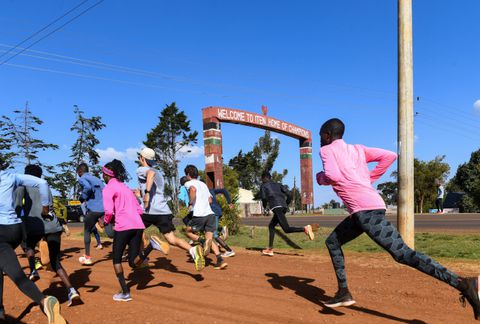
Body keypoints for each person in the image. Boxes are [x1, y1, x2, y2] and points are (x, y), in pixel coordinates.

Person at [316, 118, 480, 319]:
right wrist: (370, 178)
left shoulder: (326, 150)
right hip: (367, 208)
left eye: (320, 137)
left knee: (404, 255)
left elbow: (331, 175)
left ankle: (463, 283)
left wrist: (320, 178)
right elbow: (389, 156)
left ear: (326, 135)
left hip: (366, 212)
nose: (320, 142)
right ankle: (343, 292)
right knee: (333, 242)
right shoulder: (357, 149)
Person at [0, 168, 66, 323]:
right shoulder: (10, 176)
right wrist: (46, 207)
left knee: (17, 275)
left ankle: (43, 300)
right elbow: (42, 183)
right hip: (15, 230)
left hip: (1, 232)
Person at [15, 164, 80, 307]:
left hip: (35, 226)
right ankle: (72, 290)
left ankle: (33, 270)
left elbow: (17, 206)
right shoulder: (45, 186)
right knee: (55, 261)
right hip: (53, 225)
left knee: (28, 246)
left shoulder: (22, 186)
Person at [136, 148, 204, 271]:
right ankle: (192, 250)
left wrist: (146, 193)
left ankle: (144, 256)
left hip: (148, 211)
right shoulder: (159, 174)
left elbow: (149, 174)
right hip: (163, 211)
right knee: (171, 239)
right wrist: (141, 193)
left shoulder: (142, 169)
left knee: (135, 231)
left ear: (142, 158)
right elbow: (153, 188)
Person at [100, 159, 148, 302]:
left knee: (116, 259)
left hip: (123, 226)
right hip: (138, 225)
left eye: (102, 174)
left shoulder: (108, 188)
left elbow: (108, 211)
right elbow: (139, 209)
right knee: (133, 262)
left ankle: (125, 292)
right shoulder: (126, 188)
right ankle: (151, 247)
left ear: (107, 175)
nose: (102, 176)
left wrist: (104, 221)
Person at [260, 172, 315, 256]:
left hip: (276, 207)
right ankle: (270, 249)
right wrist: (285, 204)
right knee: (271, 226)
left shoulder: (264, 185)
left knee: (286, 229)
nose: (262, 180)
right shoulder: (278, 184)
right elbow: (289, 194)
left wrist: (264, 207)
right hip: (283, 207)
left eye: (262, 179)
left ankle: (305, 229)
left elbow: (264, 198)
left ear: (264, 178)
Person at [184, 165, 228, 270]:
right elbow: (210, 200)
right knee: (210, 238)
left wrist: (191, 203)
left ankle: (203, 242)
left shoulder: (188, 183)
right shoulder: (203, 184)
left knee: (188, 231)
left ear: (188, 175)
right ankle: (220, 260)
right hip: (210, 214)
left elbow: (193, 190)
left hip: (199, 215)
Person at [76, 163, 105, 265]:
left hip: (93, 210)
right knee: (111, 232)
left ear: (80, 171)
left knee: (87, 231)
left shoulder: (82, 178)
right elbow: (105, 191)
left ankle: (87, 257)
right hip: (104, 210)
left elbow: (87, 187)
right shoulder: (97, 179)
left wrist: (82, 197)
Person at [209, 187, 235, 258]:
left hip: (213, 212)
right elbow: (224, 190)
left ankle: (229, 250)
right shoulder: (210, 190)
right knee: (208, 231)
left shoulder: (203, 191)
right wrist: (229, 202)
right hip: (217, 211)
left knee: (214, 234)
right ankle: (217, 243)